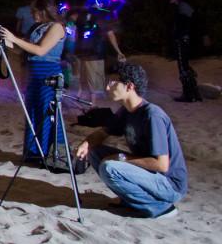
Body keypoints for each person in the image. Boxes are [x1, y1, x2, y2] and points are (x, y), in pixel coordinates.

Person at [76, 64, 187, 218]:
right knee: (95, 152)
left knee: (109, 167)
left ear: (129, 86)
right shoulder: (126, 111)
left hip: (169, 184)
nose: (108, 87)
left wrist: (121, 159)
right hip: (149, 174)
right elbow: (103, 132)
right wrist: (86, 144)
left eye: (113, 83)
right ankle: (131, 201)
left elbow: (161, 165)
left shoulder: (152, 115)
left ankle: (160, 207)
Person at [0, 0, 66, 162]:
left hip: (48, 74)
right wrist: (8, 42)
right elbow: (25, 50)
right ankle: (33, 153)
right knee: (33, 113)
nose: (32, 14)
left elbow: (41, 50)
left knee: (46, 112)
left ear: (44, 10)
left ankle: (50, 154)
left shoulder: (56, 27)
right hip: (33, 74)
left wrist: (15, 39)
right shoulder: (36, 27)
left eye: (35, 10)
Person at [74, 2, 124, 105]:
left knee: (83, 77)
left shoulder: (81, 18)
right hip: (95, 54)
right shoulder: (101, 19)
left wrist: (76, 49)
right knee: (95, 81)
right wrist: (118, 51)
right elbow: (111, 35)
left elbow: (76, 35)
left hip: (82, 52)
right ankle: (93, 104)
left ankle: (79, 96)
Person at [168, 0, 202, 102]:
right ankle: (194, 93)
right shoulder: (184, 6)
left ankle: (189, 95)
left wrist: (179, 36)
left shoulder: (183, 7)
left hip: (183, 41)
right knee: (185, 66)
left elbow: (190, 23)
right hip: (185, 40)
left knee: (183, 67)